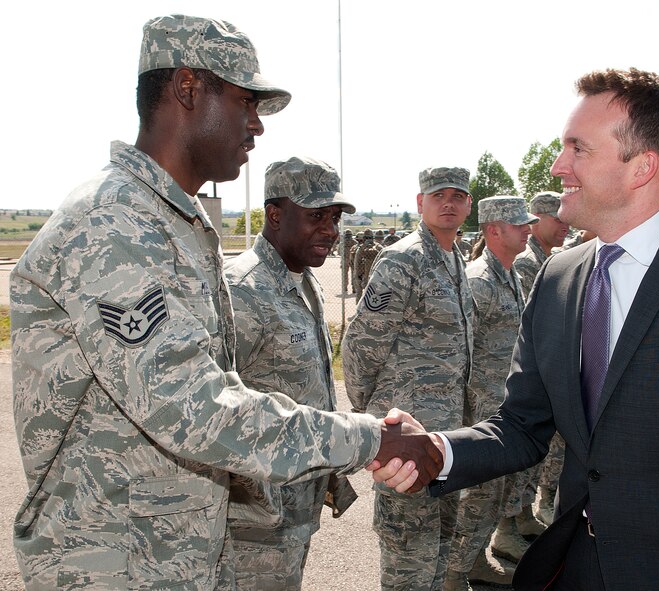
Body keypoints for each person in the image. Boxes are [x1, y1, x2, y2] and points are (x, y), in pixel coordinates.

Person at [9, 15, 440, 590]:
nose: (256, 126)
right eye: (246, 102)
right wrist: (370, 437)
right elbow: (192, 405)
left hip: (169, 559)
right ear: (188, 90)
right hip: (110, 564)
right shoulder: (111, 222)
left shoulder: (173, 222)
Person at [376, 68, 659, 591]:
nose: (558, 166)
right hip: (572, 568)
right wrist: (438, 450)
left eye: (578, 149)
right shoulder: (560, 277)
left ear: (642, 167)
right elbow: (522, 425)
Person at [223, 157, 358, 590]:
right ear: (275, 215)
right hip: (253, 524)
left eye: (334, 218)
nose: (330, 230)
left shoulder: (303, 279)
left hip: (296, 507)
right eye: (316, 216)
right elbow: (211, 408)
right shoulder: (242, 290)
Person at [343, 166, 475, 591]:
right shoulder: (404, 259)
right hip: (407, 435)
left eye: (458, 195)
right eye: (439, 195)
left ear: (469, 206)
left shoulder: (456, 258)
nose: (449, 203)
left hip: (448, 432)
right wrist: (375, 419)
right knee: (409, 553)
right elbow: (362, 344)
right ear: (421, 203)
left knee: (441, 540)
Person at [445, 197, 536, 591]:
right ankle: (454, 572)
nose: (528, 230)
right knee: (479, 496)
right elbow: (459, 348)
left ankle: (474, 560)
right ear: (494, 230)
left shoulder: (509, 273)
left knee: (494, 493)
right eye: (519, 225)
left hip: (503, 403)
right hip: (481, 408)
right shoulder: (480, 280)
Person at [510, 191, 572, 526]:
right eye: (556, 218)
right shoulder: (526, 263)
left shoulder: (550, 258)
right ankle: (516, 518)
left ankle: (525, 514)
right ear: (537, 221)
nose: (564, 224)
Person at [353, 229, 382, 302]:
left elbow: (356, 264)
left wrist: (357, 276)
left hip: (363, 276)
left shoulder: (361, 248)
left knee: (359, 293)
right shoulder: (379, 247)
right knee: (374, 294)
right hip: (375, 275)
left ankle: (358, 310)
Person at [340, 229, 357, 293]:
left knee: (344, 274)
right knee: (354, 274)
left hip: (345, 259)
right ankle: (354, 288)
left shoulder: (342, 242)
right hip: (353, 259)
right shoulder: (354, 242)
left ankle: (345, 287)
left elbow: (339, 252)